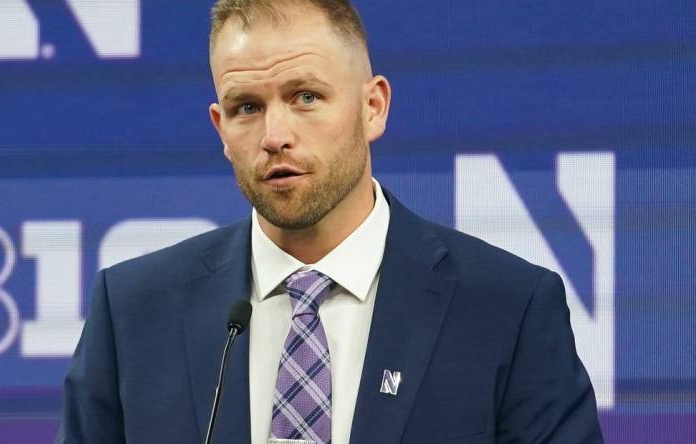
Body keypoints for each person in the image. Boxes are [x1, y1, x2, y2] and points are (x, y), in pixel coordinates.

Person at [55, 1, 603, 443]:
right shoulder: (133, 312)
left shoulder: (507, 308)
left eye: (306, 96)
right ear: (220, 128)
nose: (274, 135)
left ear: (373, 107)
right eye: (247, 107)